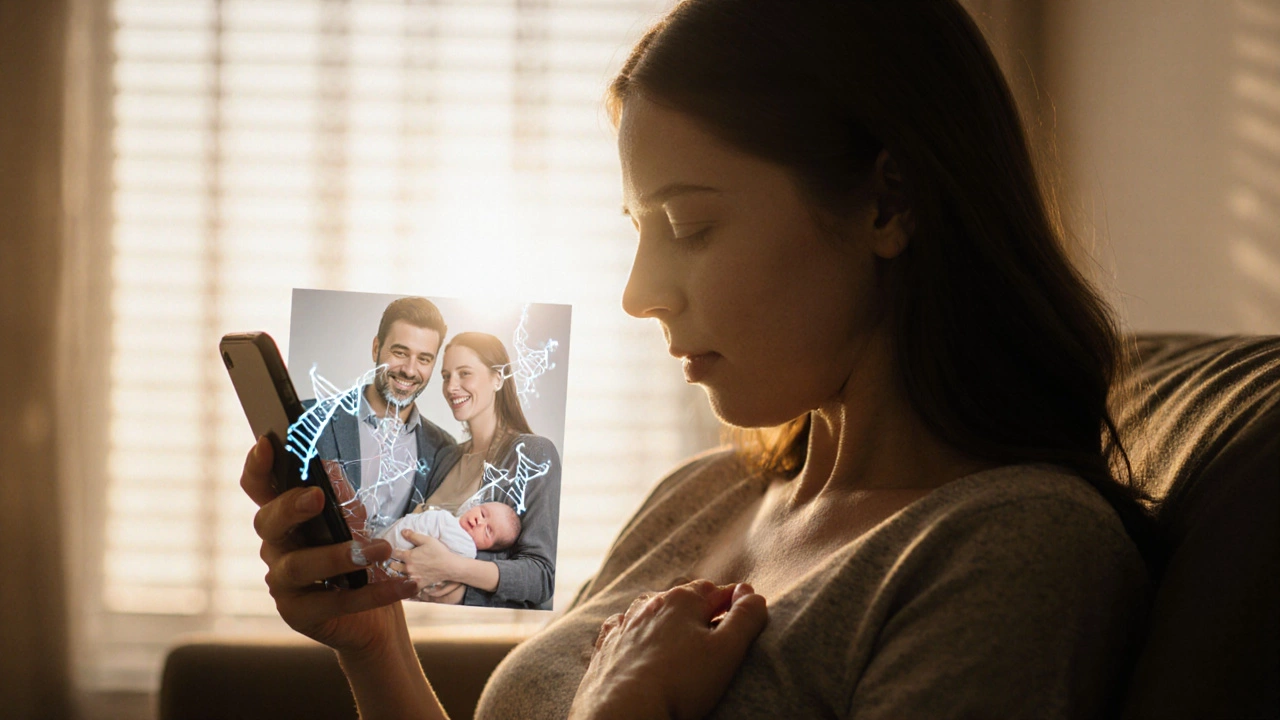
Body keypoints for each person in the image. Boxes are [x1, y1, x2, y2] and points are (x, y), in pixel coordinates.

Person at [241, 1, 1154, 718]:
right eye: (641, 230)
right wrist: (377, 646)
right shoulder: (700, 495)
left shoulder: (1010, 547)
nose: (639, 294)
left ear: (889, 204)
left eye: (689, 225)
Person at [389, 332, 562, 610]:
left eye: (464, 373)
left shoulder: (533, 454)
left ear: (498, 378)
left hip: (472, 629)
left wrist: (453, 570)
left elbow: (540, 577)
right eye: (446, 376)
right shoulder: (446, 457)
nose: (451, 387)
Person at [307, 296, 457, 538]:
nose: (410, 370)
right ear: (376, 348)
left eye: (424, 359)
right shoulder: (309, 418)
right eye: (400, 352)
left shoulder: (444, 449)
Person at [380, 502, 522, 560]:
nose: (479, 521)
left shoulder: (467, 549)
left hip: (392, 556)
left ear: (489, 548)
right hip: (387, 536)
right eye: (482, 513)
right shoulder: (452, 519)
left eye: (488, 531)